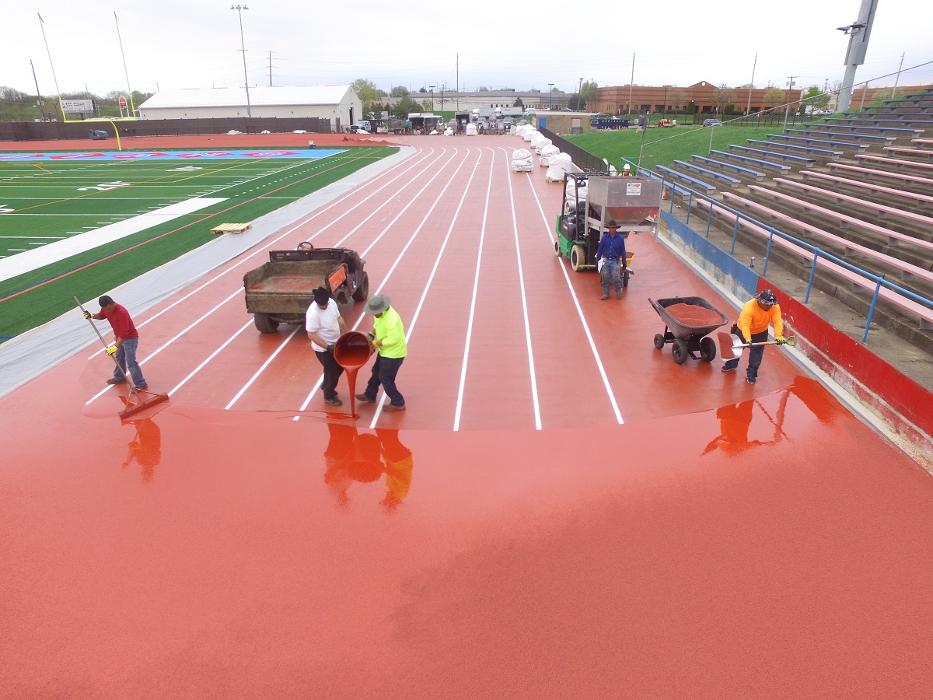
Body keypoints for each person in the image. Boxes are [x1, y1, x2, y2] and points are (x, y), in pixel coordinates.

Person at [721, 289, 786, 384]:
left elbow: (777, 322)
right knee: (736, 348)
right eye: (767, 304)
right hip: (743, 330)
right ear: (760, 301)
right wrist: (748, 338)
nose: (769, 306)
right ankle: (731, 364)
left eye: (771, 304)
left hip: (761, 332)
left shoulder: (775, 307)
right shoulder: (749, 307)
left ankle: (751, 373)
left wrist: (778, 335)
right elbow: (745, 325)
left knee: (756, 355)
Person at [355, 295, 407, 411]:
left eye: (375, 313)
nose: (374, 315)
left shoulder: (391, 319)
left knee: (385, 378)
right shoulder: (379, 314)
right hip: (385, 352)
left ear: (382, 310)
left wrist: (377, 343)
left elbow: (394, 339)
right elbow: (377, 324)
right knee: (376, 372)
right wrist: (373, 332)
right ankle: (370, 394)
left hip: (394, 354)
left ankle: (398, 402)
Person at [85, 294, 147, 390]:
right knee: (119, 357)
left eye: (109, 309)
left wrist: (115, 347)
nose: (107, 311)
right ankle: (119, 377)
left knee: (131, 362)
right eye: (105, 309)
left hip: (130, 339)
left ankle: (141, 384)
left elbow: (124, 334)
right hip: (119, 338)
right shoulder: (106, 309)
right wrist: (91, 315)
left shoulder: (122, 313)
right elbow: (101, 316)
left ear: (112, 303)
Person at [306, 287, 347, 406]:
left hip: (336, 343)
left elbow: (339, 318)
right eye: (321, 305)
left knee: (340, 366)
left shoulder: (332, 303)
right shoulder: (313, 313)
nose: (324, 307)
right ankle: (328, 395)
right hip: (323, 348)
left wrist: (346, 332)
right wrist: (328, 347)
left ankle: (326, 384)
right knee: (331, 370)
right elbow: (311, 335)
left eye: (325, 304)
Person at [595, 221, 628, 300]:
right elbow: (600, 250)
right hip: (606, 260)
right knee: (605, 277)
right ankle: (606, 293)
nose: (612, 229)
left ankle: (618, 293)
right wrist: (597, 261)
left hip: (615, 261)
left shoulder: (620, 239)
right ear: (608, 229)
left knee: (616, 277)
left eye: (613, 228)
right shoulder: (604, 238)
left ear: (616, 229)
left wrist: (624, 263)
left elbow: (623, 251)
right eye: (610, 228)